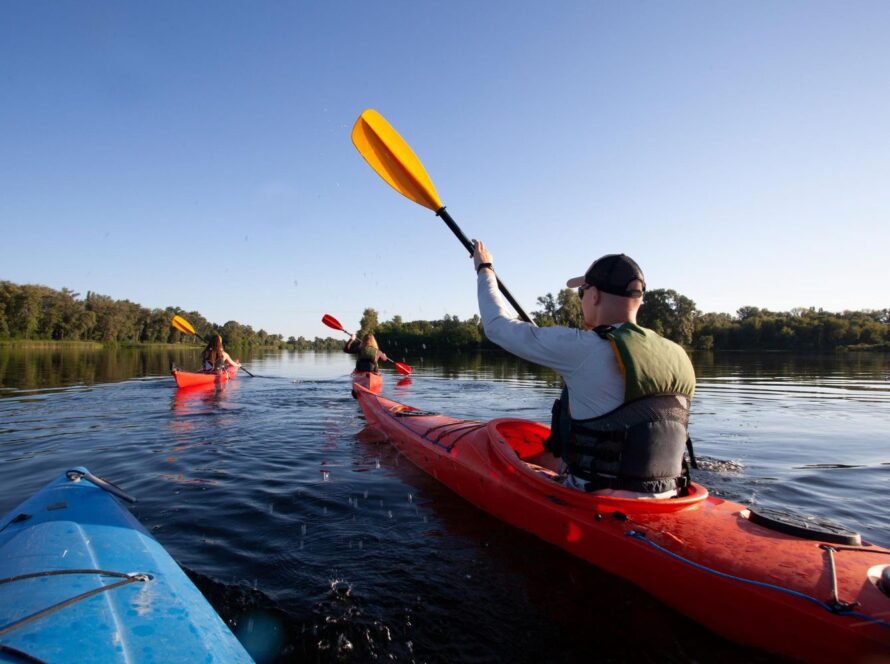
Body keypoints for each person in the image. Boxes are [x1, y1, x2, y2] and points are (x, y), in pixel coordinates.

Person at [472, 240, 696, 498]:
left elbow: (496, 326)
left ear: (595, 295)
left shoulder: (585, 348)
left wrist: (485, 269)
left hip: (596, 499)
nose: (582, 300)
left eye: (582, 292)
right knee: (551, 457)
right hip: (670, 495)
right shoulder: (678, 354)